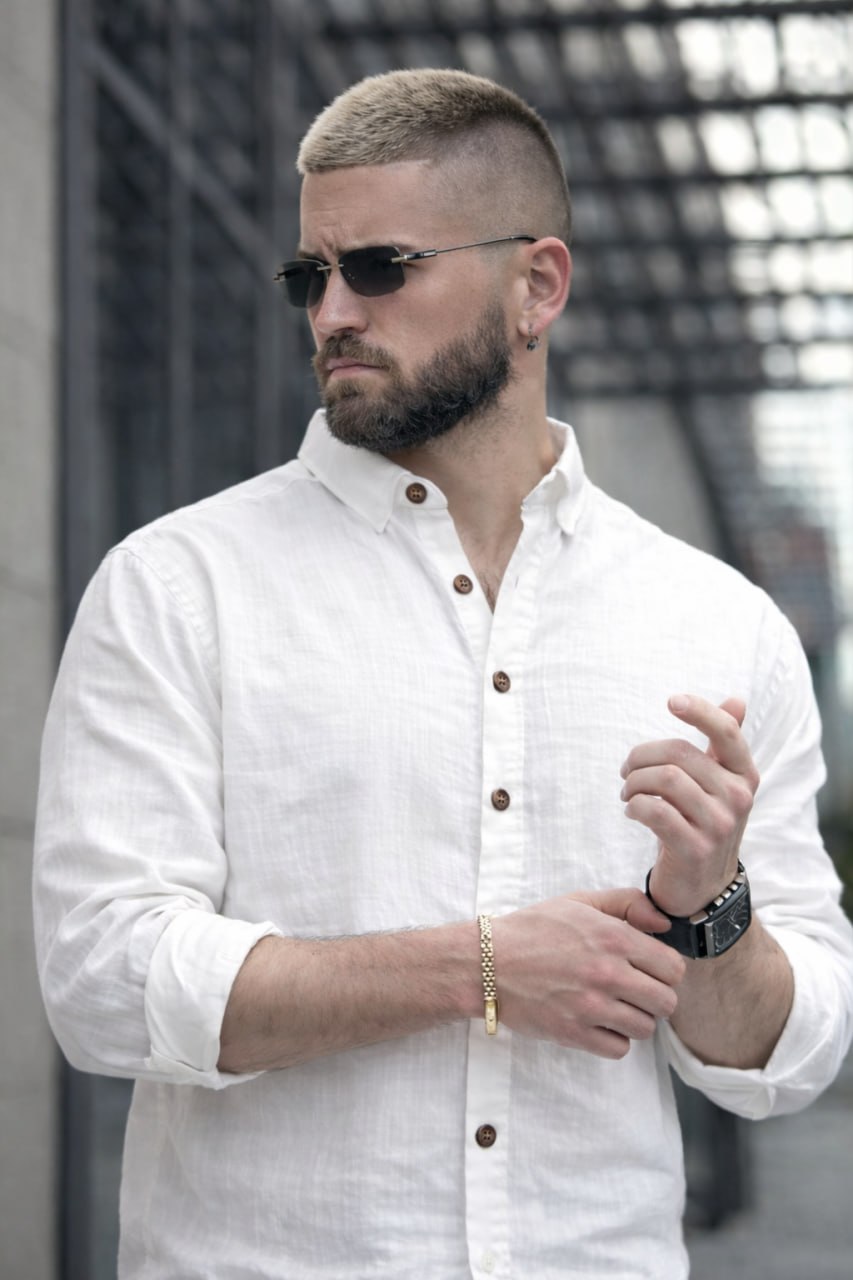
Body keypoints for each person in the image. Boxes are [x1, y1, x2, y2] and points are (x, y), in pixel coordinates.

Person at [34, 68, 853, 1279]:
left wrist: (711, 908)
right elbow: (101, 978)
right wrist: (476, 968)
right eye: (310, 275)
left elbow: (787, 1060)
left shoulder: (717, 621)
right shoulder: (177, 586)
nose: (331, 313)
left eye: (379, 267)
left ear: (537, 286)